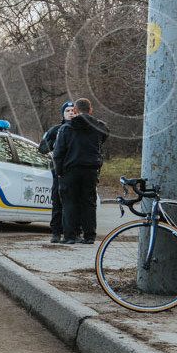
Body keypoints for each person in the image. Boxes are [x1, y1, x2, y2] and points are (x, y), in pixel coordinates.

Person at [52, 97, 108, 245]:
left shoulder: (66, 129)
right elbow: (104, 134)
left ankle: (70, 236)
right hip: (91, 170)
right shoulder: (99, 127)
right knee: (89, 203)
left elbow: (58, 153)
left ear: (75, 111)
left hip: (70, 170)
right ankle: (89, 236)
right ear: (91, 110)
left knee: (69, 202)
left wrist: (59, 171)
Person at [39, 101, 75, 243]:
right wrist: (56, 144)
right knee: (57, 200)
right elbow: (42, 148)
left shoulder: (81, 129)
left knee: (73, 202)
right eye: (68, 110)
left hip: (74, 171)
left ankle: (72, 233)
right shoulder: (55, 130)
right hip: (58, 170)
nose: (71, 113)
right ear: (63, 113)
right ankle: (56, 232)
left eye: (73, 110)